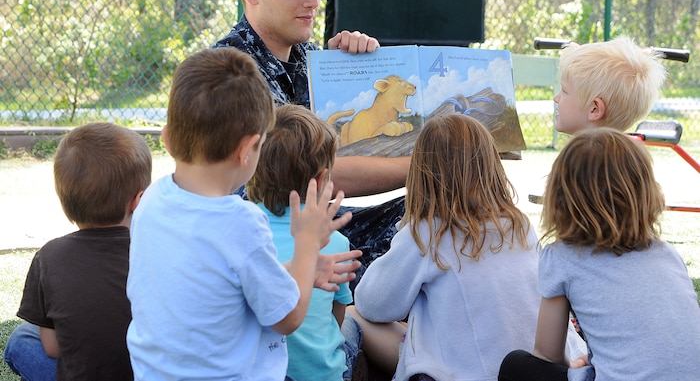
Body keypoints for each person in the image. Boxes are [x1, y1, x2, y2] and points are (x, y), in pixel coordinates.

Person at [126, 47, 359, 381]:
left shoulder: (152, 200)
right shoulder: (240, 222)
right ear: (248, 151)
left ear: (167, 138)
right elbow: (288, 319)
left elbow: (219, 279)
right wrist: (307, 246)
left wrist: (295, 270)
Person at [213, 0, 408, 274]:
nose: (314, 2)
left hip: (310, 225)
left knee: (437, 208)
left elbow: (348, 141)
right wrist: (428, 166)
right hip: (266, 247)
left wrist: (349, 74)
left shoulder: (308, 57)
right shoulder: (231, 72)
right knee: (434, 205)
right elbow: (310, 175)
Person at [350, 114, 545, 381]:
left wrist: (405, 230)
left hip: (466, 374)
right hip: (535, 368)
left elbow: (371, 303)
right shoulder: (518, 223)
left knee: (354, 314)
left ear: (421, 173)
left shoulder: (426, 232)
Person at [498, 128, 700, 381]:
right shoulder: (667, 253)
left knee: (517, 365)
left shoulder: (561, 258)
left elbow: (548, 354)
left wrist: (576, 367)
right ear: (646, 191)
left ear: (560, 197)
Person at [3, 122, 152, 381]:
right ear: (138, 201)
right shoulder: (158, 250)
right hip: (149, 371)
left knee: (21, 339)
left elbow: (52, 347)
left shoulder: (48, 256)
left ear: (64, 201)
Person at [246, 104, 358, 381]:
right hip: (322, 375)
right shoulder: (334, 240)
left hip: (258, 371)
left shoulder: (242, 230)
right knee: (355, 325)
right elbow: (337, 313)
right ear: (321, 180)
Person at [553, 35, 667, 135]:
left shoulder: (582, 158)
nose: (556, 98)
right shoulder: (625, 156)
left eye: (564, 91)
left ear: (594, 109)